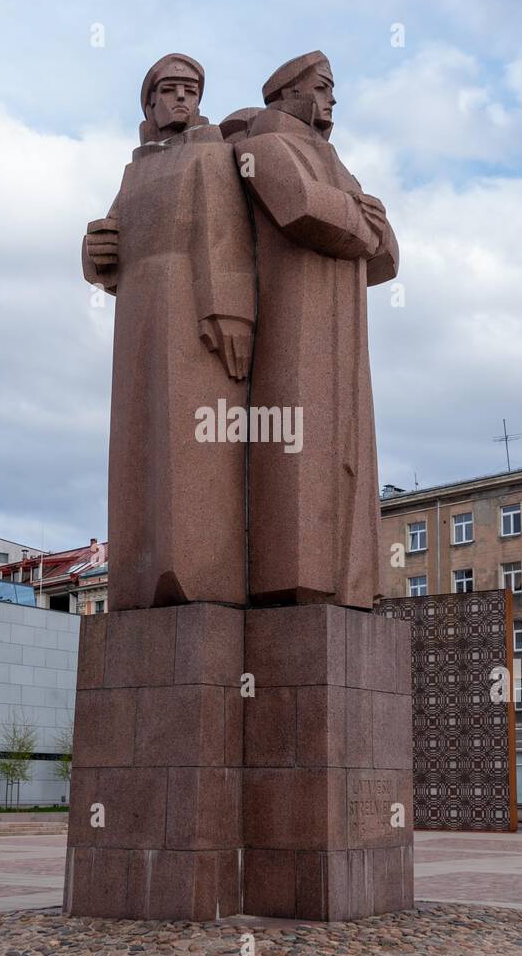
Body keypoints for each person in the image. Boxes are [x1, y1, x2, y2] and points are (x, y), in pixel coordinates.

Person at [224, 51, 399, 610]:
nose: (332, 101)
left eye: (332, 90)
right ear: (288, 94)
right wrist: (362, 217)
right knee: (300, 449)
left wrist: (365, 222)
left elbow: (387, 256)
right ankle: (297, 576)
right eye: (323, 88)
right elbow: (299, 206)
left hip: (345, 328)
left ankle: (346, 584)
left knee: (347, 451)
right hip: (291, 319)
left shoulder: (337, 164)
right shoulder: (263, 146)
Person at [82, 53, 255, 609]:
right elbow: (112, 245)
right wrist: (95, 256)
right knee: (137, 436)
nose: (182, 98)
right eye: (170, 89)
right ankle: (137, 575)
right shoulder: (135, 169)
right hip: (136, 310)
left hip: (190, 308)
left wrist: (229, 310)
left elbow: (222, 235)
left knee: (191, 439)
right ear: (150, 101)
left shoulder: (211, 153)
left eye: (191, 90)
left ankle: (195, 572)